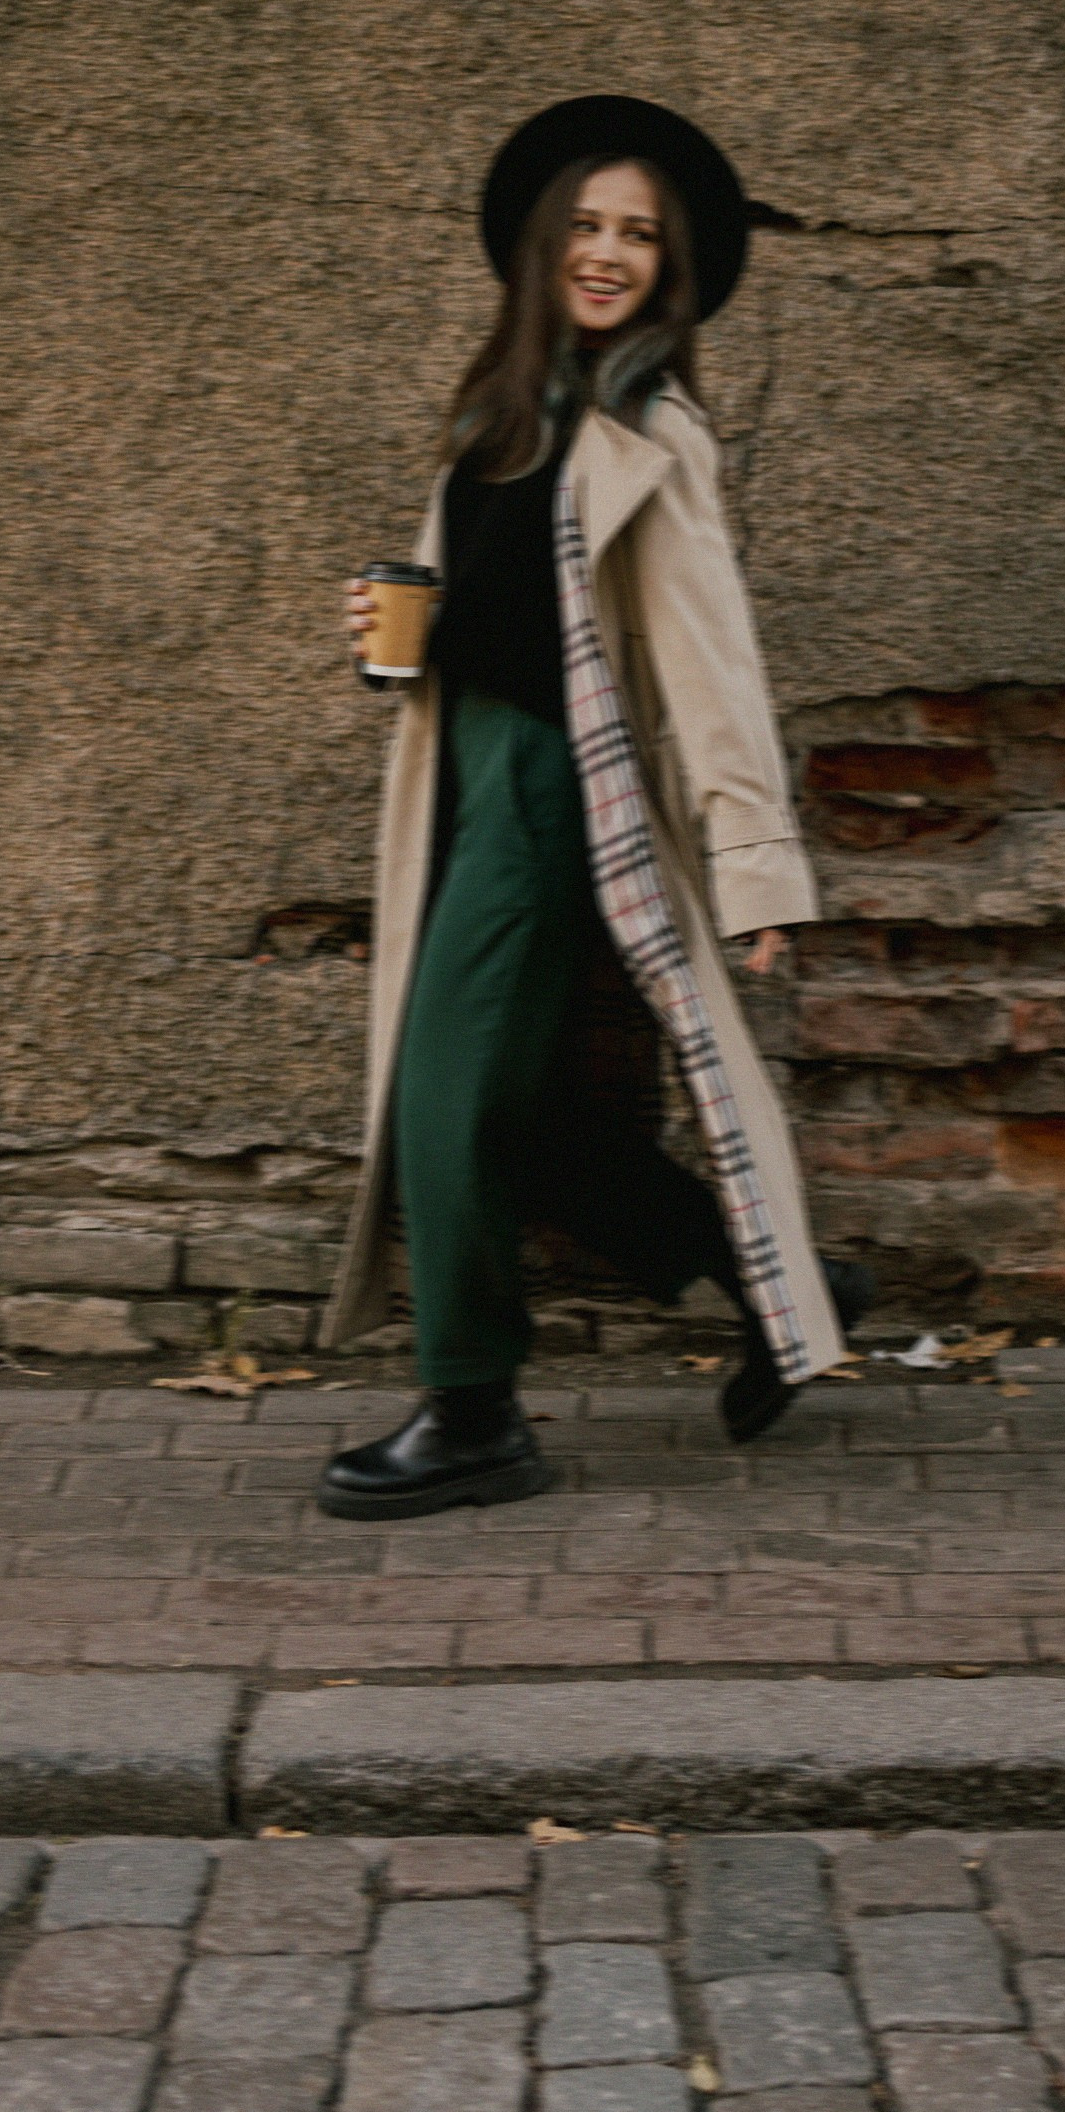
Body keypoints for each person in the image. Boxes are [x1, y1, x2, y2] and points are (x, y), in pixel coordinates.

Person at [316, 93, 870, 1519]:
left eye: (639, 234)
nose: (610, 252)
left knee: (438, 1099)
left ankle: (475, 1408)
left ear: (668, 269)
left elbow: (712, 658)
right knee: (531, 1118)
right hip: (464, 774)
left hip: (562, 792)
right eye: (588, 224)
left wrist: (754, 867)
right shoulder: (501, 412)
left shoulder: (648, 431)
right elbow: (495, 617)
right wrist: (395, 637)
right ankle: (775, 1280)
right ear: (541, 243)